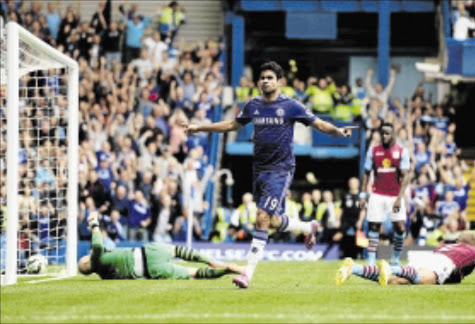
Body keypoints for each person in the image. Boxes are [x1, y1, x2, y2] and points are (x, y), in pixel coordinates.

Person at [184, 61, 357, 289]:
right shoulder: (253, 105)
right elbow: (230, 125)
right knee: (272, 220)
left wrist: (337, 130)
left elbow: (317, 123)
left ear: (279, 82)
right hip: (260, 170)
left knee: (262, 217)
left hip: (281, 169)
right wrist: (200, 128)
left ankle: (248, 273)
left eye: (270, 77)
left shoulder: (291, 106)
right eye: (262, 77)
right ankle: (308, 227)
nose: (265, 80)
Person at [78, 212, 244, 280]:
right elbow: (98, 246)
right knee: (180, 251)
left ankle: (227, 270)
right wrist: (94, 224)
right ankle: (211, 261)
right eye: (83, 258)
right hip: (147, 253)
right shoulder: (96, 259)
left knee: (194, 274)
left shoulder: (104, 276)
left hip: (151, 271)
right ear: (86, 264)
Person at [335, 231, 475, 286]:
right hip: (443, 264)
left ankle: (354, 268)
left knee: (395, 281)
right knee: (418, 278)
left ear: (458, 241)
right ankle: (390, 267)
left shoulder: (446, 245)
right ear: (473, 243)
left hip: (431, 256)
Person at [360, 122, 411, 266]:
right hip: (377, 194)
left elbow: (405, 176)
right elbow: (366, 173)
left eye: (387, 133)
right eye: (382, 133)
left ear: (393, 134)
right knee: (374, 226)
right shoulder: (373, 151)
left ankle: (395, 258)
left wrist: (399, 198)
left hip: (395, 195)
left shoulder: (402, 151)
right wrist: (363, 195)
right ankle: (371, 260)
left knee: (400, 228)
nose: (384, 136)